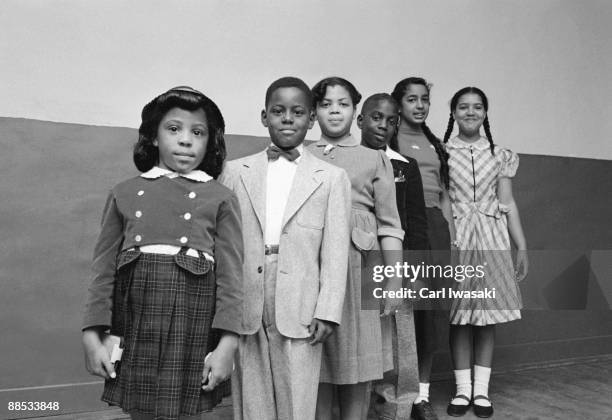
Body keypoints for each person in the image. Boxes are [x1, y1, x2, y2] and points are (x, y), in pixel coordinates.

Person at [82, 86, 244, 420]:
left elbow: (232, 277)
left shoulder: (221, 198)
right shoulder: (124, 193)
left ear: (209, 141)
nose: (186, 140)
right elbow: (102, 272)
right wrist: (91, 335)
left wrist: (228, 344)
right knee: (139, 409)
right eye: (174, 129)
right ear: (153, 137)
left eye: (197, 132)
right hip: (135, 317)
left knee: (185, 411)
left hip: (193, 317)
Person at [219, 76, 352, 420]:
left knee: (298, 392)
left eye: (297, 112)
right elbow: (226, 244)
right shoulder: (235, 172)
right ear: (264, 117)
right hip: (249, 291)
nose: (287, 118)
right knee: (251, 389)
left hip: (301, 298)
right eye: (278, 111)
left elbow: (336, 251)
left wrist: (328, 309)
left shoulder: (331, 177)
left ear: (311, 120)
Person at [307, 77, 404, 420]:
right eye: (326, 104)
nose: (334, 111)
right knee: (315, 362)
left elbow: (390, 225)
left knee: (357, 363)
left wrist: (393, 279)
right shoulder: (299, 155)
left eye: (343, 104)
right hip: (313, 266)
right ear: (314, 112)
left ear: (355, 111)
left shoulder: (375, 159)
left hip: (359, 265)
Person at [443, 86, 528, 418]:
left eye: (477, 107)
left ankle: (482, 391)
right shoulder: (443, 153)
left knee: (487, 316)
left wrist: (521, 243)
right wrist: (449, 238)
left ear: (486, 113)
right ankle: (462, 391)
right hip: (459, 238)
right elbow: (444, 201)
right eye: (463, 107)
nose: (470, 112)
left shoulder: (500, 154)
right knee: (458, 315)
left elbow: (507, 203)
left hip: (492, 238)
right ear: (452, 113)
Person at [358, 93, 429, 419]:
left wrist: (413, 272)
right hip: (356, 266)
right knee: (359, 345)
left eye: (390, 120)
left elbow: (416, 224)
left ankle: (398, 410)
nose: (383, 126)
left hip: (394, 265)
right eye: (376, 117)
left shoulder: (404, 166)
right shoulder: (342, 162)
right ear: (360, 120)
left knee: (400, 347)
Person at [390, 77, 454, 420]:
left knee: (432, 314)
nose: (419, 105)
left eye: (425, 99)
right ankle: (399, 393)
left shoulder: (434, 144)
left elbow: (444, 195)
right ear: (398, 104)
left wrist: (451, 237)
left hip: (436, 231)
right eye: (412, 99)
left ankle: (422, 396)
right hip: (404, 227)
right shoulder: (390, 138)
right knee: (404, 312)